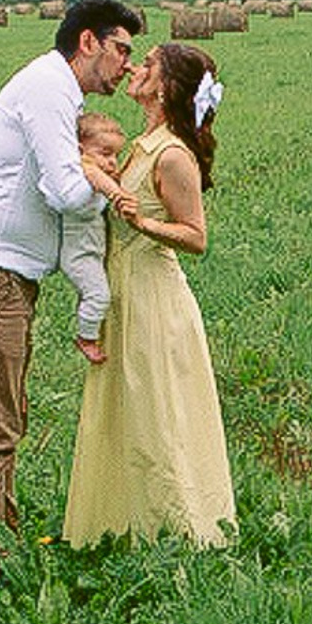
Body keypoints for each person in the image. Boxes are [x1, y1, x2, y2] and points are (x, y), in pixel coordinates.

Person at [0, 0, 146, 577]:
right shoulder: (49, 89)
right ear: (88, 43)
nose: (127, 65)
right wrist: (110, 185)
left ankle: (1, 534)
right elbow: (65, 193)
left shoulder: (57, 88)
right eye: (121, 49)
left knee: (7, 416)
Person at [62, 40, 236, 549]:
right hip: (122, 290)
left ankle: (175, 531)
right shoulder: (141, 144)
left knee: (157, 411)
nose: (136, 67)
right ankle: (121, 526)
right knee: (126, 413)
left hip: (154, 297)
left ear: (168, 87)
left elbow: (196, 237)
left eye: (150, 64)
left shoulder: (174, 154)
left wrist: (145, 225)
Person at [61, 111, 129, 363]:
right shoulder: (83, 170)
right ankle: (86, 337)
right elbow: (96, 176)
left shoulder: (95, 172)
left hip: (91, 252)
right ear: (81, 150)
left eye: (116, 156)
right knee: (99, 295)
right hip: (79, 255)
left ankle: (88, 322)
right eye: (106, 154)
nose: (113, 162)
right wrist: (117, 194)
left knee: (94, 292)